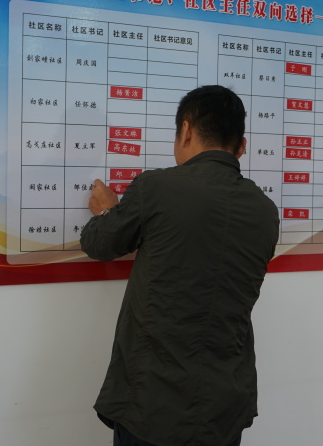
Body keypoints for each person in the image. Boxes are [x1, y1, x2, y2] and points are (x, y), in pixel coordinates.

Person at [80, 85, 280, 446]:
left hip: (153, 406)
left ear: (186, 130)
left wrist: (108, 211)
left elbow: (99, 244)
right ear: (241, 146)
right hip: (224, 408)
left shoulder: (156, 188)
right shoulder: (265, 211)